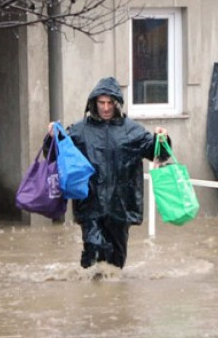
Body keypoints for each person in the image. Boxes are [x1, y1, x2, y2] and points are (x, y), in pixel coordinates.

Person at [48, 77, 168, 271]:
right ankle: (90, 296)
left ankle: (114, 299)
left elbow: (159, 154)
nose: (105, 108)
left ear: (116, 104)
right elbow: (55, 154)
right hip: (90, 204)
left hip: (120, 206)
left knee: (116, 262)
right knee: (93, 250)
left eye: (109, 103)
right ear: (94, 103)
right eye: (101, 103)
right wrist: (52, 137)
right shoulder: (80, 130)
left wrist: (162, 139)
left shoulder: (132, 131)